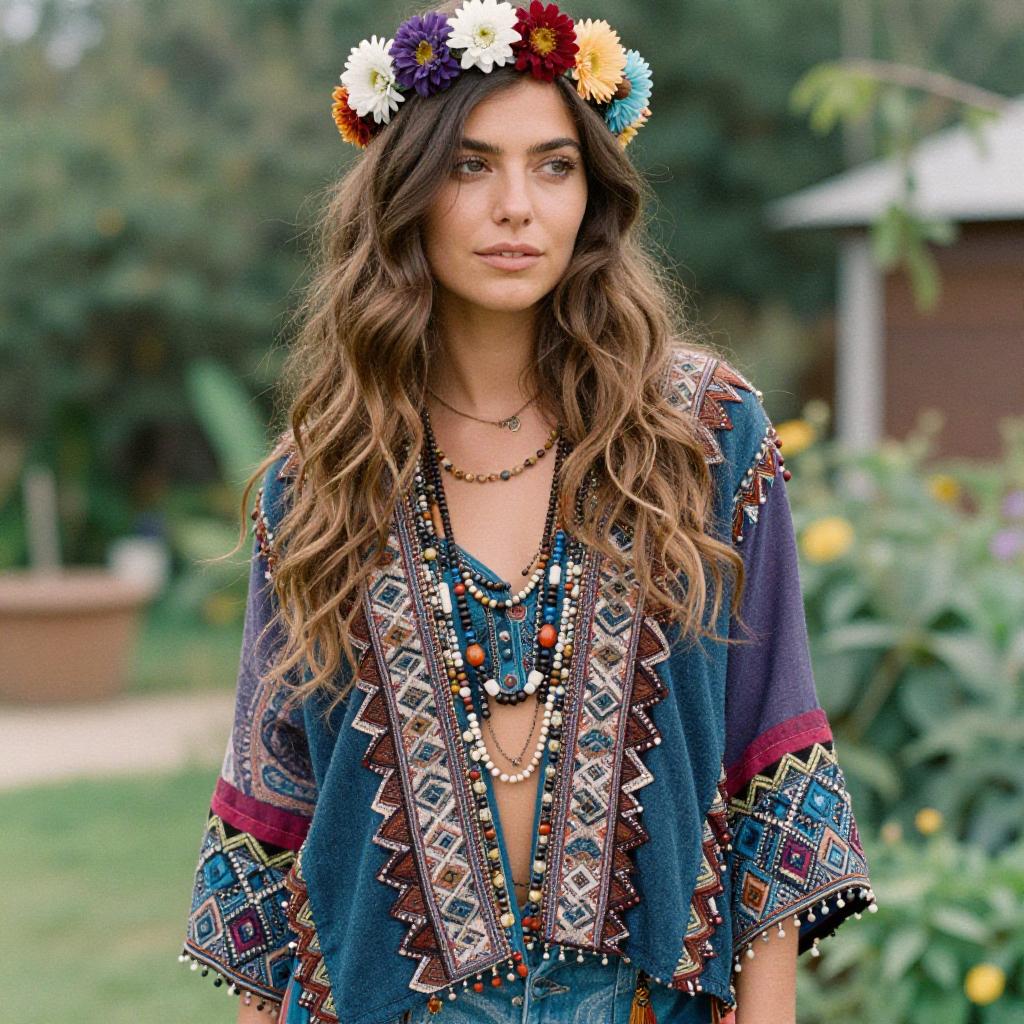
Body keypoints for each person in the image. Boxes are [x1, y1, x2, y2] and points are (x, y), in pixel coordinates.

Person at [179, 2, 875, 1022]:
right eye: (470, 166)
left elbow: (772, 761)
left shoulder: (701, 435)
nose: (516, 206)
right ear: (406, 191)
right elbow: (272, 817)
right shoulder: (324, 475)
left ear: (592, 194)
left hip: (642, 996)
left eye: (553, 166)